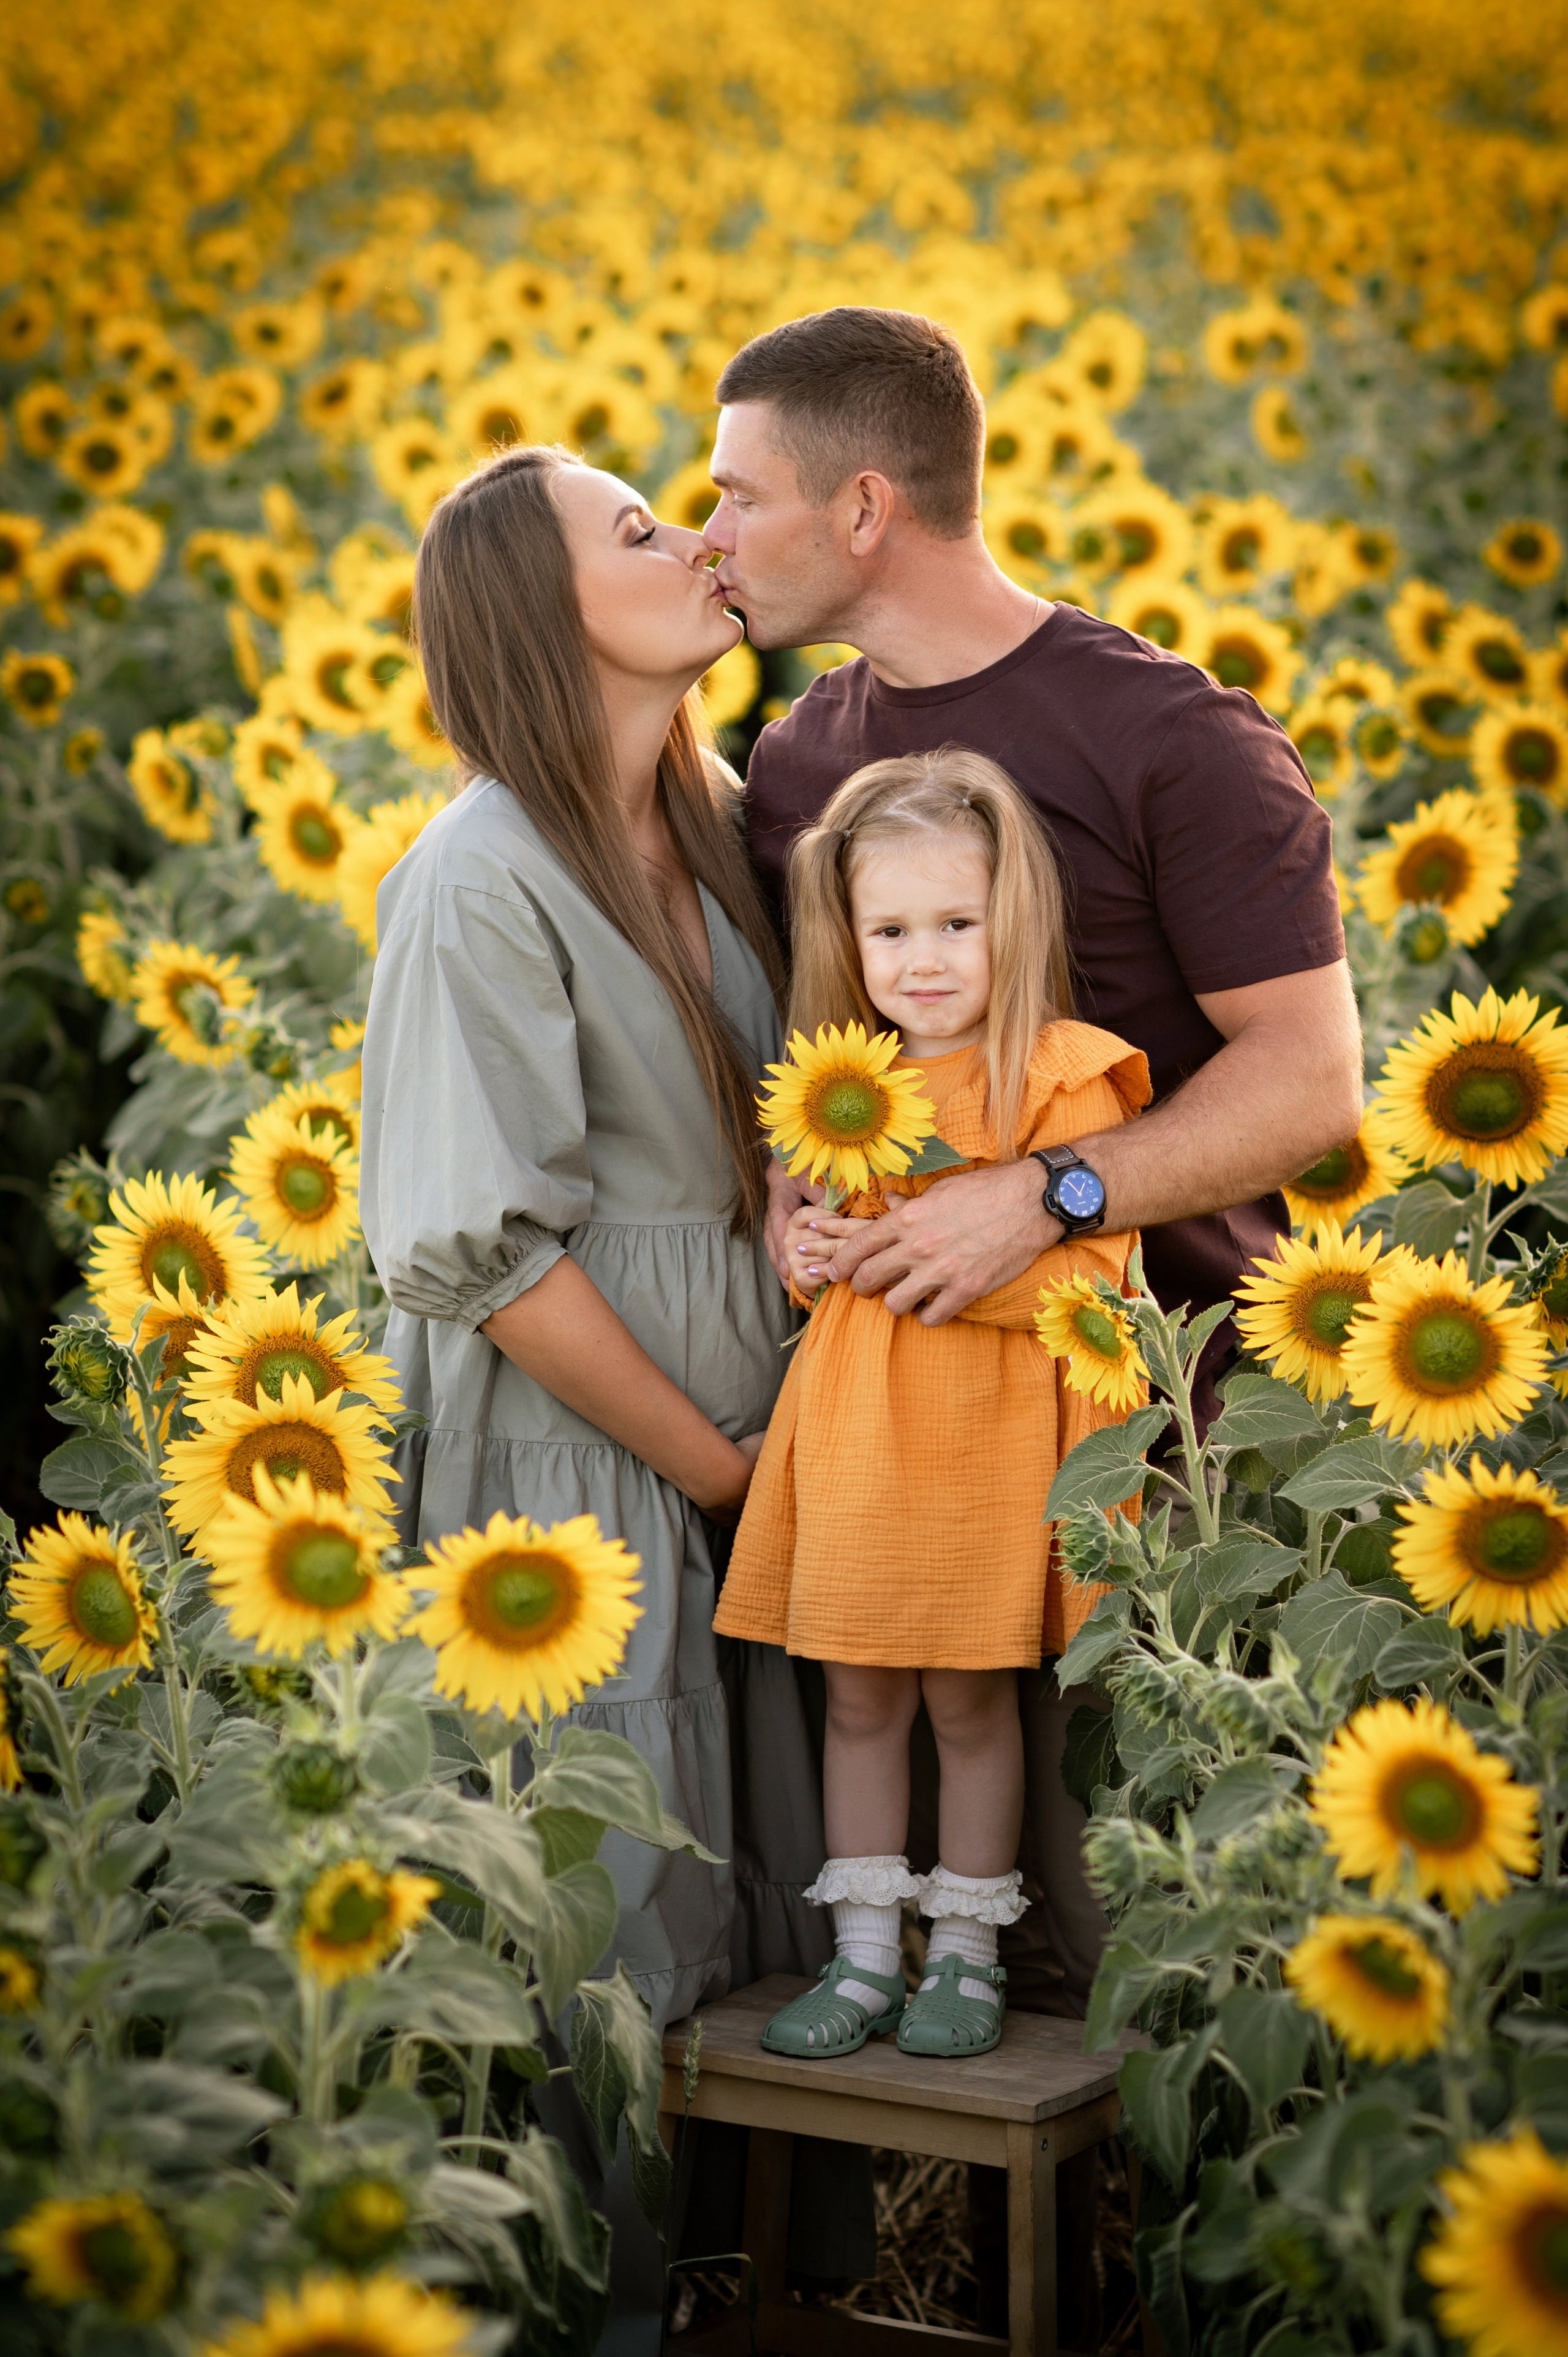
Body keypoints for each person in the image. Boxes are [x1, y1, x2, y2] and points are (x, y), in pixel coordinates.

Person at [703, 303, 1363, 2019]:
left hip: (1153, 1456)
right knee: (907, 1904)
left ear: (862, 511)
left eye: (731, 497)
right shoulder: (801, 762)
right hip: (893, 1424)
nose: (706, 537)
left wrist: (1051, 1193)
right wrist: (802, 1177)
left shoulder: (1169, 738)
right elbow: (835, 1057)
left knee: (1154, 1975)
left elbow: (1311, 1085)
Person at [358, 443, 873, 2343]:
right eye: (643, 531)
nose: (702, 543)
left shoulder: (726, 820)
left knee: (760, 1917)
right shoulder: (476, 875)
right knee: (609, 1939)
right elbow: (489, 1253)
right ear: (539, 610)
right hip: (589, 1477)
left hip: (750, 1464)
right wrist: (726, 1472)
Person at [714, 749, 1149, 2060]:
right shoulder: (833, 1091)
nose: (923, 958)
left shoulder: (1056, 1075)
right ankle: (859, 1957)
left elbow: (1096, 1278)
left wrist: (930, 1265)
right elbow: (811, 1261)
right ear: (844, 940)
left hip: (984, 1441)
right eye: (890, 929)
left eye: (956, 924)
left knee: (968, 1707)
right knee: (855, 1699)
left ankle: (961, 1952)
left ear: (1009, 919)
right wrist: (811, 1258)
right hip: (859, 1433)